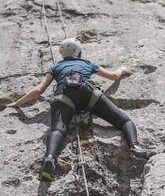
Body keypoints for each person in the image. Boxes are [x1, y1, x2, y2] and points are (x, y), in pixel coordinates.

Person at [7, 38, 156, 181]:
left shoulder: (55, 67)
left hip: (64, 96)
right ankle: (135, 147)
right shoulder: (87, 63)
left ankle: (50, 157)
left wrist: (17, 103)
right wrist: (122, 70)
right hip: (88, 94)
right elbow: (112, 76)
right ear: (79, 53)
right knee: (124, 121)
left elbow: (39, 90)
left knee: (58, 130)